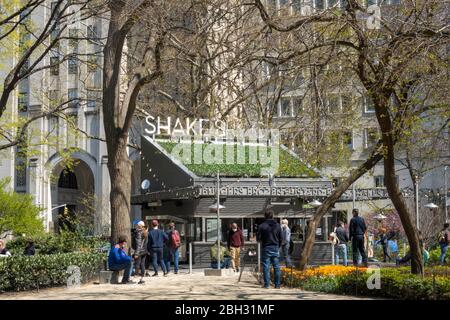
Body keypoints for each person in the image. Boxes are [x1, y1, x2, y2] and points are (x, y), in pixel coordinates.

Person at [257, 209, 282, 289]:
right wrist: (278, 246)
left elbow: (258, 239)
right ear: (273, 216)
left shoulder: (262, 226)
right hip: (275, 247)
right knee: (276, 266)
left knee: (266, 266)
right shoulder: (277, 225)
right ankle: (277, 285)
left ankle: (267, 285)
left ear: (265, 216)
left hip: (266, 247)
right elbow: (281, 238)